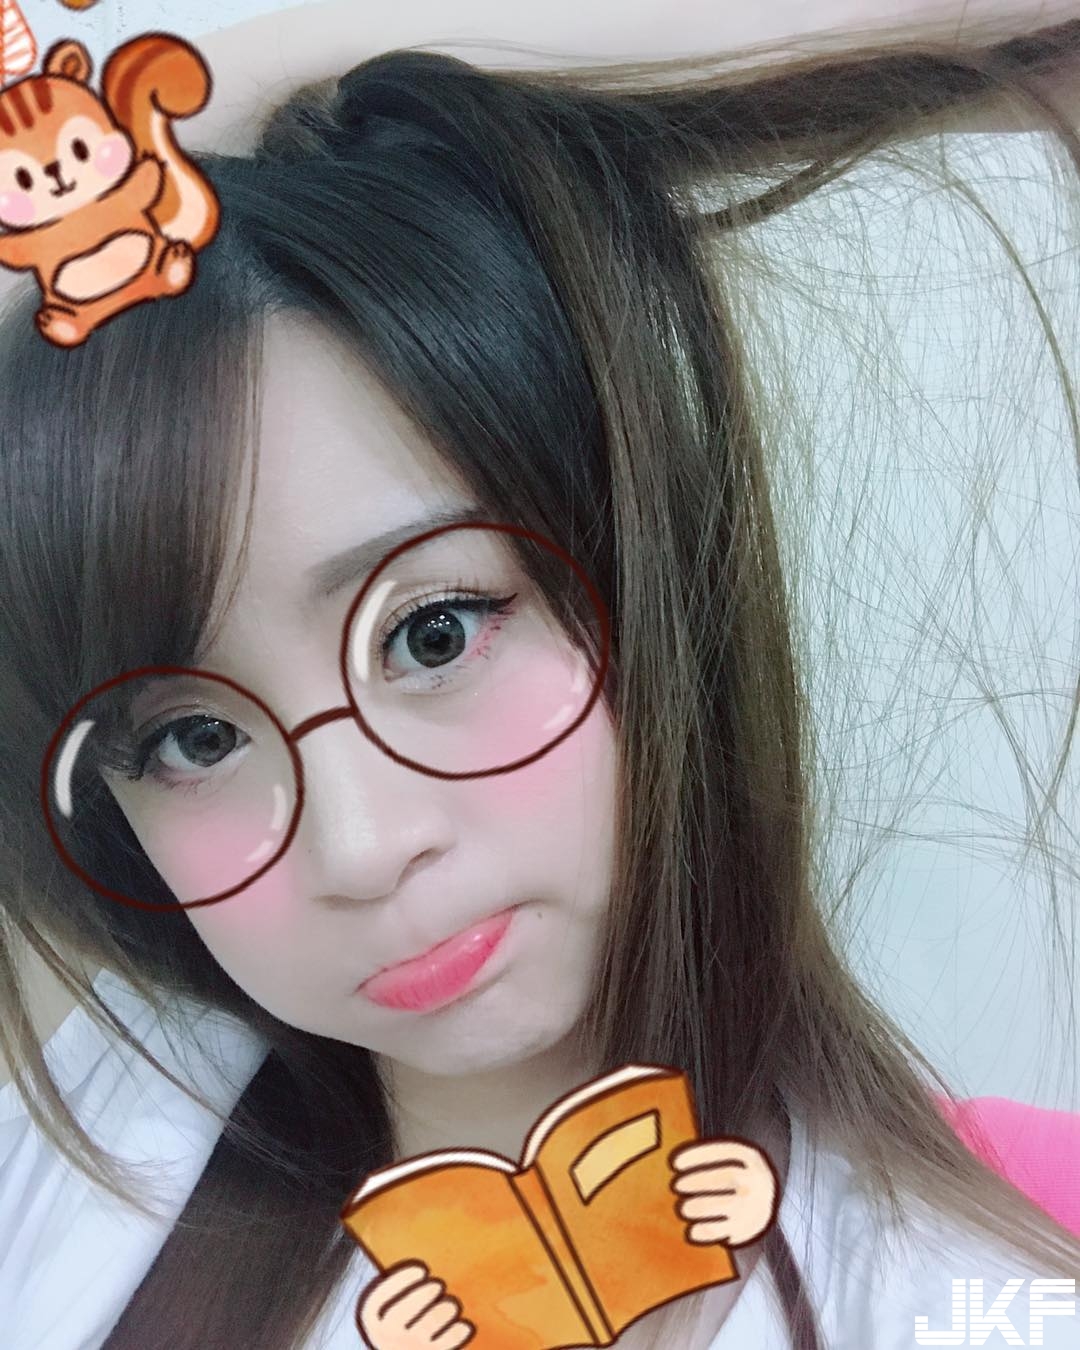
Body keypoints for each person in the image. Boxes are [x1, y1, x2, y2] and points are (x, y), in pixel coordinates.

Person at [1, 6, 1079, 1348]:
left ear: (636, 572)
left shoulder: (970, 1299)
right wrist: (211, 139)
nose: (361, 847)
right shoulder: (103, 1137)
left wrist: (320, 123)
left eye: (434, 634)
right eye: (193, 739)